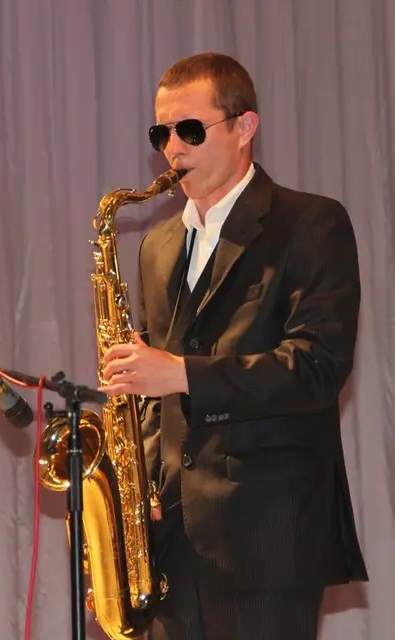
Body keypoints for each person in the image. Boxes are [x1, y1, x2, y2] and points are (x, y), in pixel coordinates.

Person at [100, 52, 369, 640]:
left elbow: (316, 368)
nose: (173, 149)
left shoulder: (310, 223)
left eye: (190, 130)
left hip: (265, 539)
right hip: (169, 542)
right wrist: (135, 496)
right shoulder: (156, 246)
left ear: (245, 127)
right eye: (161, 134)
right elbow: (154, 397)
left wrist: (182, 374)